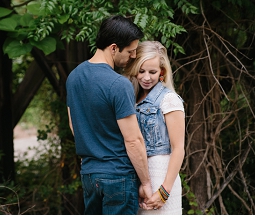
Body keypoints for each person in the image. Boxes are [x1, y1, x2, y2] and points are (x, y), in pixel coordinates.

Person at [66, 15, 151, 214]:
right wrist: (146, 182)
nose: (132, 56)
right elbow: (133, 141)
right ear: (114, 48)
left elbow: (74, 127)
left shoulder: (74, 77)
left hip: (89, 174)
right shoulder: (118, 84)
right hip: (118, 176)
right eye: (130, 51)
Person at [123, 41, 186, 214]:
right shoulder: (132, 99)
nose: (146, 77)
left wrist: (164, 191)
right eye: (141, 71)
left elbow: (178, 148)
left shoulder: (169, 100)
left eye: (153, 72)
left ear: (162, 72)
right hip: (137, 178)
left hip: (162, 177)